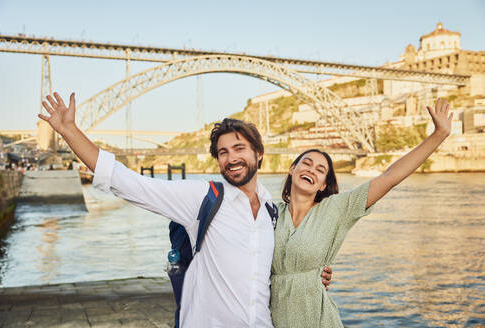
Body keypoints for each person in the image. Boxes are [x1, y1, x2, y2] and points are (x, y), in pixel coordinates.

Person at [38, 92, 331, 328]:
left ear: (258, 154)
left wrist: (313, 275)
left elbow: (278, 270)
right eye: (223, 152)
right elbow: (128, 183)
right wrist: (69, 130)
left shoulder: (272, 212)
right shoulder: (202, 197)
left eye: (239, 148)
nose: (231, 158)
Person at [269, 99, 453, 327]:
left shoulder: (337, 209)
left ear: (323, 185)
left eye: (320, 170)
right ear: (292, 170)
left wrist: (439, 135)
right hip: (273, 320)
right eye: (305, 163)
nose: (311, 170)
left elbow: (389, 177)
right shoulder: (270, 213)